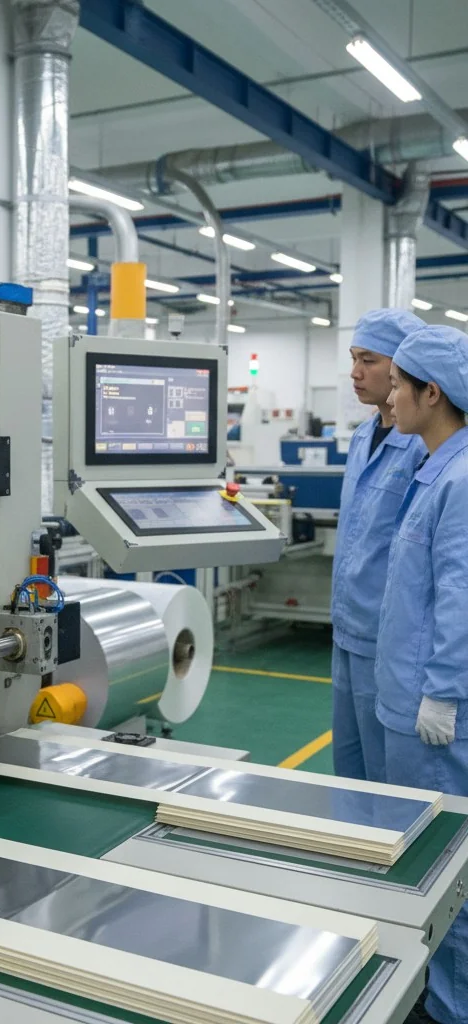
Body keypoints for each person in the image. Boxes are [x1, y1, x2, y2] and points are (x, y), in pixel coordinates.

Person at [375, 324, 468, 1024]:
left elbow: (460, 597)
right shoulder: (435, 466)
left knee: (448, 875)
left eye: (399, 384)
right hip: (408, 702)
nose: (389, 396)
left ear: (431, 393)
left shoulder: (460, 480)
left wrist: (443, 693)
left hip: (433, 715)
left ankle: (448, 1007)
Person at [331, 308, 426, 781]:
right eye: (353, 358)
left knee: (386, 774)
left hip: (387, 638)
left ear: (401, 366)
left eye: (367, 359)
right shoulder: (361, 436)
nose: (355, 372)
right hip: (346, 628)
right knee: (348, 763)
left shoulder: (424, 445)